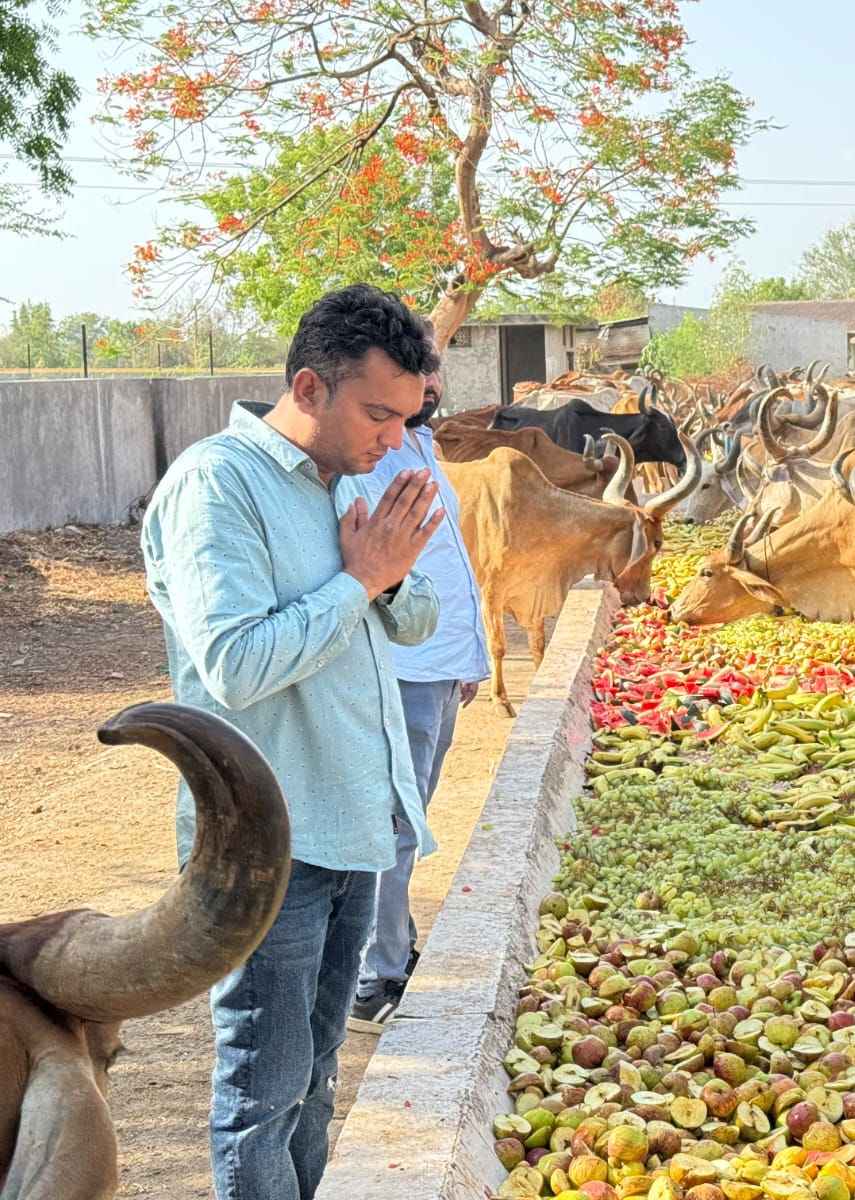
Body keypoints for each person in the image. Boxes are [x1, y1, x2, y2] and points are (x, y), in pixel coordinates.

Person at [141, 283, 443, 1200]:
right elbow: (234, 662)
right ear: (310, 387)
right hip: (268, 847)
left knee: (315, 1084)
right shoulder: (215, 483)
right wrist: (359, 583)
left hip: (354, 823)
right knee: (262, 1096)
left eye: (407, 418)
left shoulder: (346, 480)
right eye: (380, 413)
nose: (395, 438)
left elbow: (418, 618)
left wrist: (384, 581)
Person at [349, 339, 489, 1032]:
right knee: (394, 828)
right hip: (404, 668)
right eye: (417, 373)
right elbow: (383, 566)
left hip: (439, 667)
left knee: (408, 823)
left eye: (434, 371)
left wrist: (468, 658)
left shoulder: (422, 447)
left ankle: (393, 950)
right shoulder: (377, 459)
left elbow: (446, 562)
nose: (431, 383)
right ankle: (376, 976)